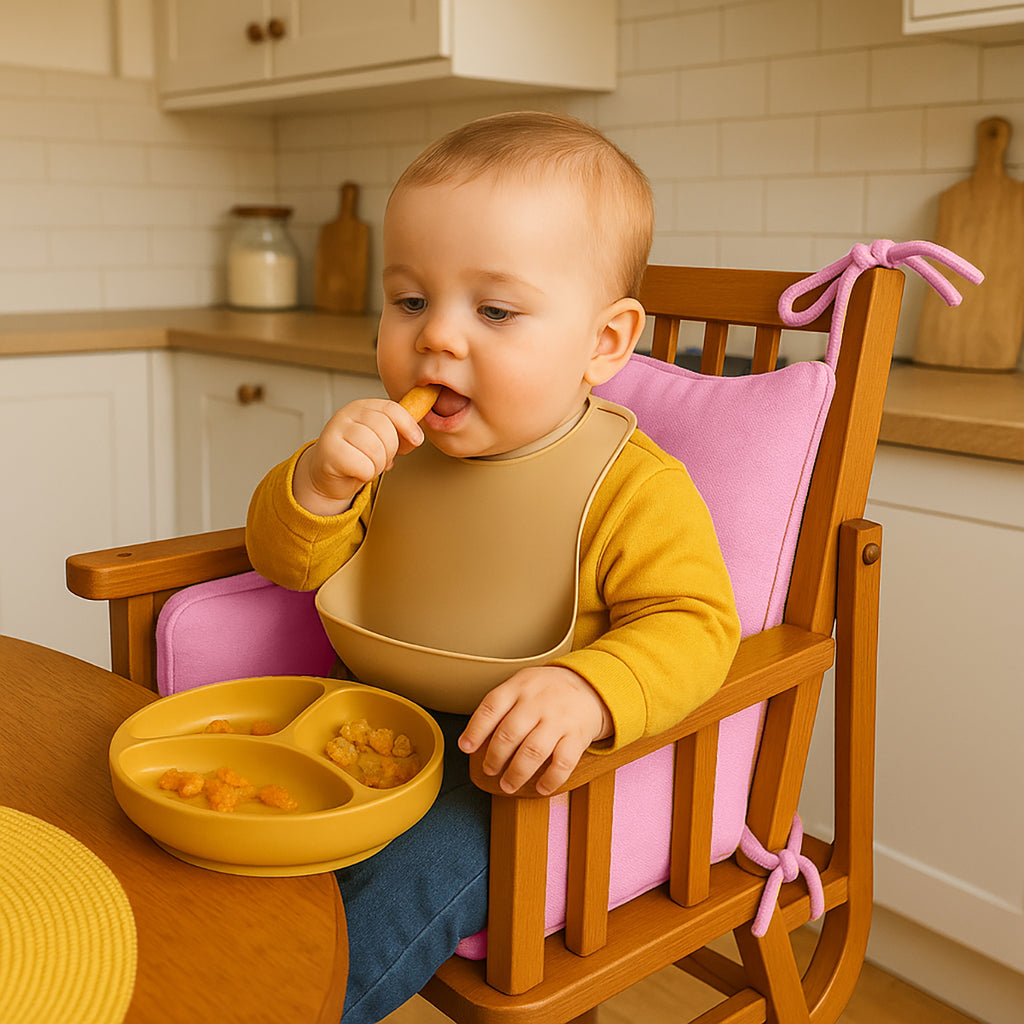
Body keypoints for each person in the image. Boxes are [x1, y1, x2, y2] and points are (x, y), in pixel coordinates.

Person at [246, 110, 740, 1023]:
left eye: (496, 311)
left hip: (503, 772)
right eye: (409, 302)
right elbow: (287, 564)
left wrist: (591, 690)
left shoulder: (631, 487)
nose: (436, 339)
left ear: (605, 342)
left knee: (396, 892)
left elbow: (696, 624)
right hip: (359, 717)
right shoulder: (389, 451)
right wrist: (315, 484)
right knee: (245, 845)